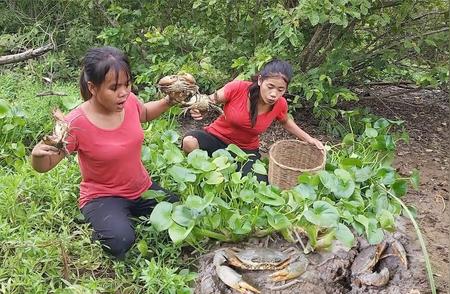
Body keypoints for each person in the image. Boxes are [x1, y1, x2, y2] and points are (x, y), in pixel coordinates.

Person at [31, 46, 178, 259]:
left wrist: (168, 101)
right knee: (119, 242)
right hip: (103, 196)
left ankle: (127, 215)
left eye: (127, 84)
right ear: (92, 87)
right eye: (114, 87)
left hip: (142, 188)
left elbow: (143, 112)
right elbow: (46, 165)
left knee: (179, 212)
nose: (124, 92)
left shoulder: (129, 101)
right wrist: (37, 156)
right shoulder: (75, 123)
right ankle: (106, 222)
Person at [182, 59, 324, 183]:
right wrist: (198, 108)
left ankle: (223, 171)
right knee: (189, 142)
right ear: (260, 80)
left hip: (245, 150)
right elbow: (210, 100)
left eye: (281, 89)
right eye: (270, 87)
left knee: (257, 182)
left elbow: (286, 122)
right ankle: (208, 173)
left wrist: (309, 139)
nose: (274, 94)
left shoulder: (280, 104)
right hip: (216, 137)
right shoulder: (238, 88)